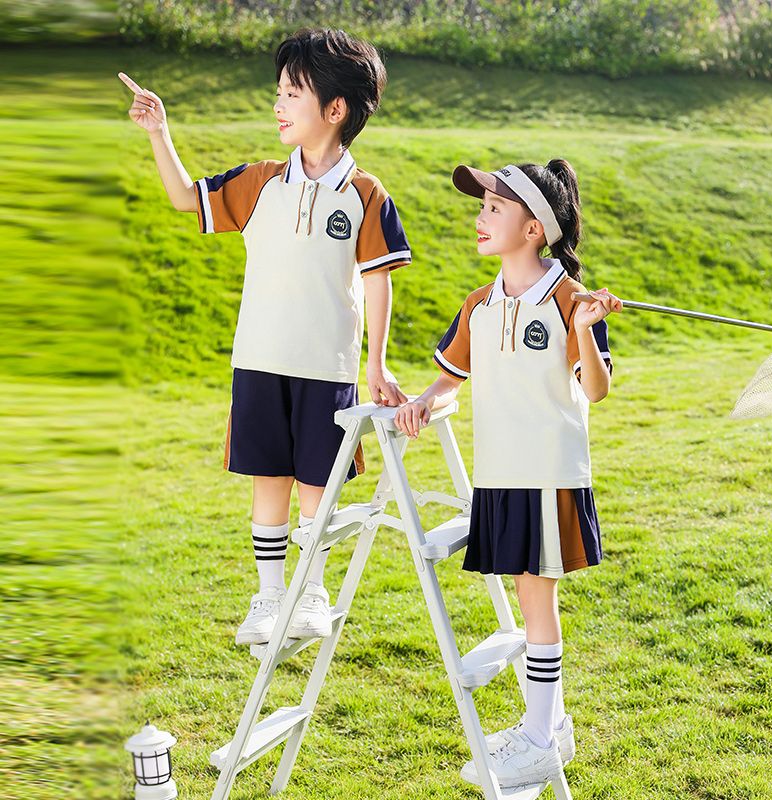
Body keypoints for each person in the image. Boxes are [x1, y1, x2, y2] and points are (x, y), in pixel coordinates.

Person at [120, 28, 412, 645]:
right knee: (268, 481)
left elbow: (381, 284)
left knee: (316, 487)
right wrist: (158, 133)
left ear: (336, 110)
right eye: (277, 90)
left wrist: (376, 368)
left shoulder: (365, 196)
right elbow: (184, 198)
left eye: (292, 92)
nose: (278, 104)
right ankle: (270, 597)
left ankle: (311, 594)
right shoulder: (257, 183)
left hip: (327, 369)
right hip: (258, 361)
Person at [394, 159, 621, 787]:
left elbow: (595, 391)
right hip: (499, 475)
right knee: (527, 599)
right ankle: (550, 726)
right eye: (483, 206)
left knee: (534, 598)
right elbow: (450, 379)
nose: (480, 217)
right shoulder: (478, 306)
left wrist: (582, 328)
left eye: (494, 208)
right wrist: (420, 401)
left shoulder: (571, 298)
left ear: (533, 230)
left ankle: (541, 735)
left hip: (548, 474)